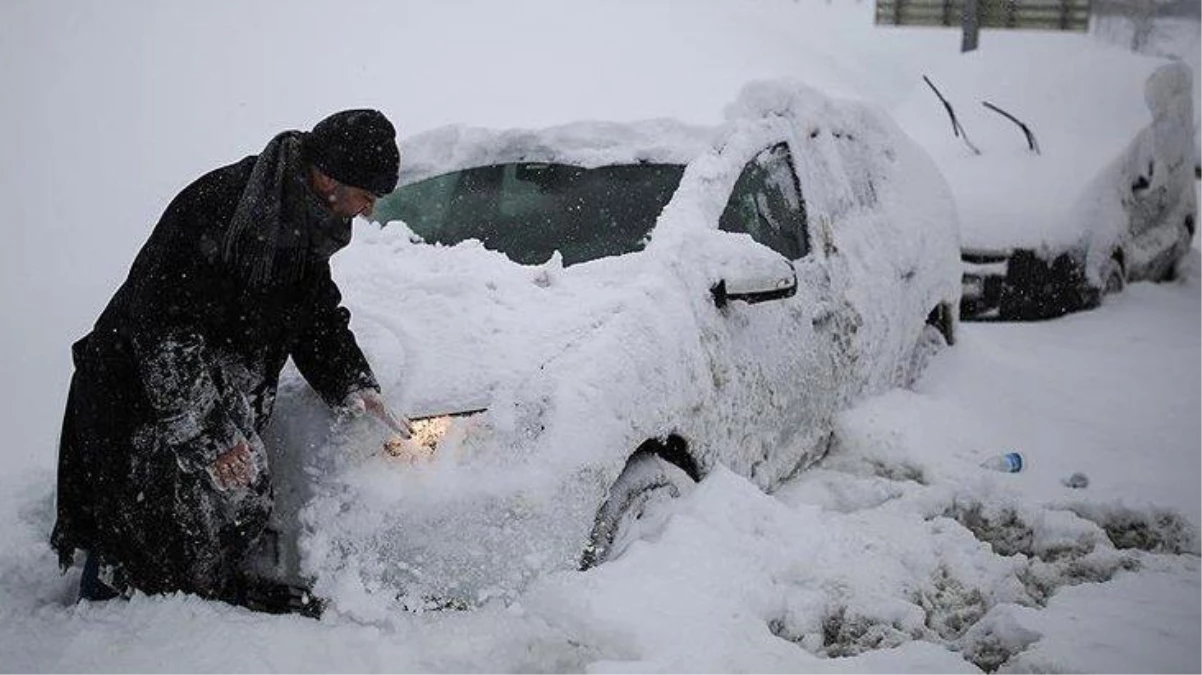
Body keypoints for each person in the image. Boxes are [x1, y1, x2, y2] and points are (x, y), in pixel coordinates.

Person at [50, 109, 411, 612]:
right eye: (367, 197)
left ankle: (187, 614)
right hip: (140, 400)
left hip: (201, 395)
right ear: (328, 177)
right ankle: (104, 634)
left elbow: (314, 315)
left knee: (213, 520)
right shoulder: (221, 208)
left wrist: (353, 382)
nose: (368, 212)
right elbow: (163, 336)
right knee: (136, 539)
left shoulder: (306, 223)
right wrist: (213, 436)